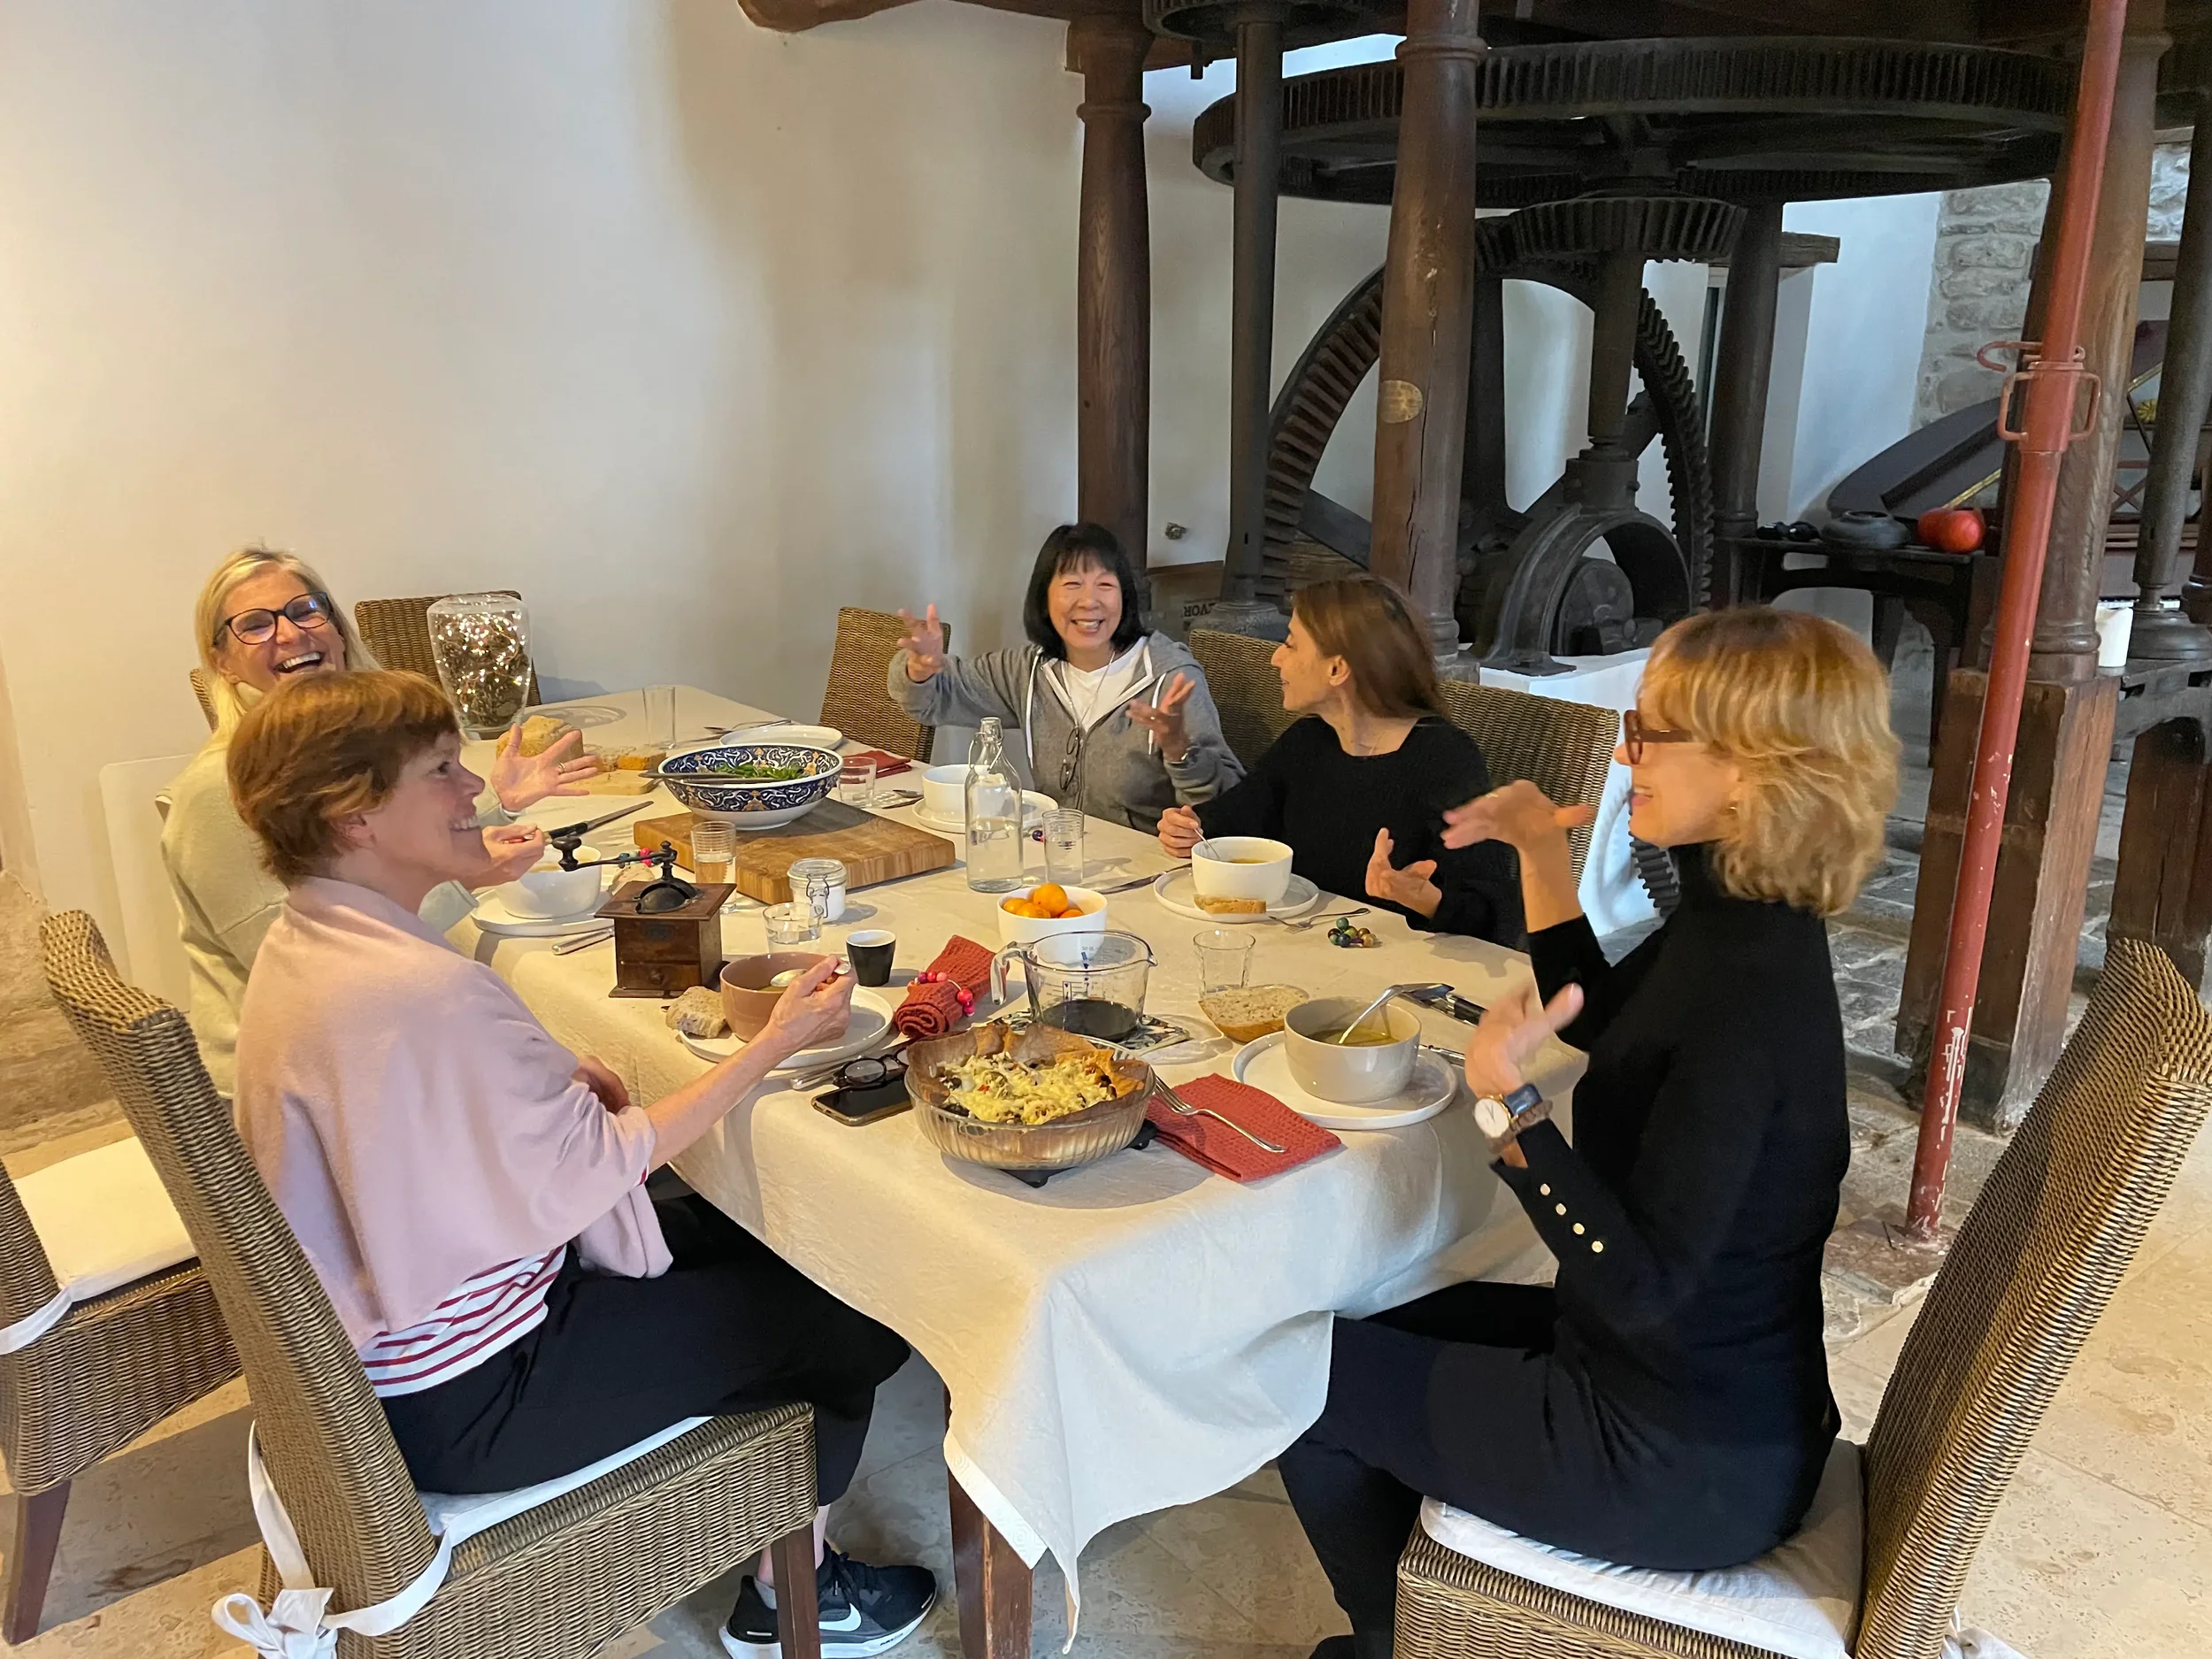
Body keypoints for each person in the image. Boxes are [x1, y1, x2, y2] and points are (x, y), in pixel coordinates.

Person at [228, 670, 936, 1659]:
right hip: (476, 1392)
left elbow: (438, 1105)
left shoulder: (306, 939)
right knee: (853, 1317)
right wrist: (771, 1044)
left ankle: (784, 1549)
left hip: (394, 1359)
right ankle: (794, 1598)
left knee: (788, 1241)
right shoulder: (415, 992)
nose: (471, 787)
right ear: (355, 815)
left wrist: (545, 1071)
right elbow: (606, 1158)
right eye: (440, 771)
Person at [1275, 606, 1900, 1659]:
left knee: (1298, 1385)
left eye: (1655, 731)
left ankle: (1393, 1642)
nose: (1624, 750)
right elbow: (1603, 1019)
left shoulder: (1750, 1000)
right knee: (1358, 1306)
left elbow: (1640, 1281)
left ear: (1752, 771)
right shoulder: (1741, 924)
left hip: (1677, 1460)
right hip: (1684, 1392)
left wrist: (1510, 1113)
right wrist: (1534, 848)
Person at [162, 547, 596, 1095]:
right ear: (221, 661)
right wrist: (466, 877)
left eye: (304, 611)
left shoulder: (340, 753)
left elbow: (380, 857)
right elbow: (316, 971)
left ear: (338, 632)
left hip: (363, 1040)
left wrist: (498, 808)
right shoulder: (217, 791)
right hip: (298, 1088)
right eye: (254, 625)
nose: (292, 635)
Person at [1156, 575, 1518, 942]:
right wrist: (1191, 829)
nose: (1275, 658)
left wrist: (1424, 899)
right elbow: (1236, 819)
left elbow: (1494, 911)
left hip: (1402, 967)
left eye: (1290, 644)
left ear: (1336, 669)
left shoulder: (1444, 760)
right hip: (1299, 946)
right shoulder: (1307, 743)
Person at [888, 523, 1242, 831]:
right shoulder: (1030, 670)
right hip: (1059, 857)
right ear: (1044, 597)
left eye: (1105, 585)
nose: (1089, 601)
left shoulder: (1171, 679)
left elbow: (1228, 806)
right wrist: (918, 670)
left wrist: (1182, 751)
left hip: (1149, 872)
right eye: (1072, 583)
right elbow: (936, 698)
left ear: (1125, 597)